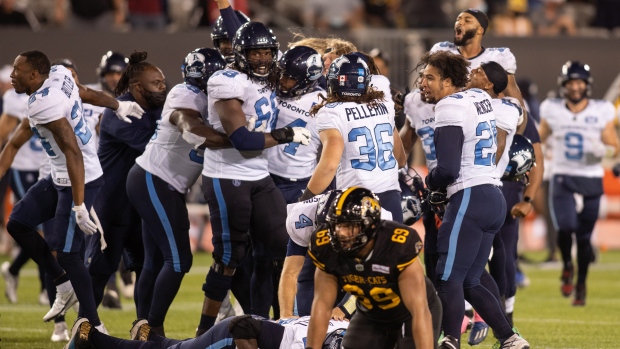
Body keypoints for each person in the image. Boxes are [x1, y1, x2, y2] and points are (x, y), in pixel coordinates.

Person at [0, 50, 142, 332]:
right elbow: (86, 93)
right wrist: (117, 105)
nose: (12, 76)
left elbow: (73, 152)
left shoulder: (43, 104)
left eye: (17, 70)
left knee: (67, 255)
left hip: (80, 178)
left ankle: (95, 325)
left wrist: (79, 204)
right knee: (18, 223)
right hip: (60, 176)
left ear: (34, 75)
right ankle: (63, 285)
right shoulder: (59, 74)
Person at [197, 21, 311, 335]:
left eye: (267, 52)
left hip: (259, 175)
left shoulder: (272, 74)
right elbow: (244, 141)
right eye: (255, 52)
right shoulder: (226, 80)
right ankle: (204, 330)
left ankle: (293, 323)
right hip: (226, 174)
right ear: (240, 53)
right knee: (230, 257)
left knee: (289, 245)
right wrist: (285, 134)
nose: (262, 58)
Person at [419, 50, 528, 349]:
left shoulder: (450, 105)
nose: (425, 83)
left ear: (449, 80)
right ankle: (510, 338)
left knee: (448, 276)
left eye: (431, 77)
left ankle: (450, 340)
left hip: (469, 194)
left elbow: (449, 168)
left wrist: (432, 183)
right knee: (472, 279)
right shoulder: (480, 97)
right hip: (493, 196)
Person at [126, 47, 230, 335]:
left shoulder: (210, 96)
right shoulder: (185, 94)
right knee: (179, 260)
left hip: (159, 182)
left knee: (154, 261)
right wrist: (240, 140)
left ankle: (142, 326)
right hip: (154, 179)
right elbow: (190, 126)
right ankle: (153, 327)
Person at [306, 186, 440, 349]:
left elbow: (419, 311)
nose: (340, 233)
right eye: (336, 225)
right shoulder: (326, 246)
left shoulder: (397, 244)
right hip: (371, 314)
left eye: (349, 226)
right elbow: (322, 307)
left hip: (410, 313)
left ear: (369, 225)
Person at [86, 51, 166, 318]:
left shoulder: (157, 109)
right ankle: (85, 327)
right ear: (137, 87)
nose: (163, 88)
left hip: (140, 207)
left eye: (163, 82)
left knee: (147, 269)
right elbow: (152, 145)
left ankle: (146, 330)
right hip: (112, 206)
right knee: (100, 271)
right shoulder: (118, 111)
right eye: (157, 83)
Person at [538, 61, 619, 306]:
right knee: (565, 227)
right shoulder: (552, 110)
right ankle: (566, 265)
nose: (575, 87)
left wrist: (609, 153)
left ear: (587, 85)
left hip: (592, 177)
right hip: (562, 175)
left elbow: (613, 144)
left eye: (579, 82)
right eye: (571, 82)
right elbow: (537, 139)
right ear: (564, 85)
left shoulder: (601, 110)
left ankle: (581, 282)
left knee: (584, 238)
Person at [299, 53, 406, 222]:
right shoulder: (383, 104)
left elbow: (329, 165)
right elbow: (400, 160)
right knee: (391, 248)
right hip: (391, 197)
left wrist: (304, 201)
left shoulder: (332, 111)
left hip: (355, 200)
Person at [279, 189, 393, 319]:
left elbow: (370, 278)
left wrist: (343, 309)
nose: (334, 235)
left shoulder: (376, 224)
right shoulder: (301, 218)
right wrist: (286, 315)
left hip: (362, 264)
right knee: (308, 314)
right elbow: (291, 272)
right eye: (327, 229)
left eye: (341, 229)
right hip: (320, 253)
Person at [430, 8, 528, 134]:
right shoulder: (442, 51)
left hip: (481, 131)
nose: (460, 23)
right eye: (458, 19)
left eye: (467, 20)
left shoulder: (497, 57)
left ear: (480, 30)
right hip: (445, 123)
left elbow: (517, 105)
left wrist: (516, 139)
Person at [65, 314, 348, 349]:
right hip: (237, 333)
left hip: (252, 325)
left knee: (187, 347)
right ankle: (89, 340)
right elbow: (244, 328)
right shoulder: (302, 344)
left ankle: (151, 335)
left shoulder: (341, 324)